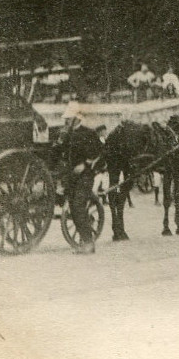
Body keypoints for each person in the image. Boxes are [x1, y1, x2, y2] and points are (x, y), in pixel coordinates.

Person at [55, 102, 103, 254]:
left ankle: (89, 243)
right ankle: (84, 241)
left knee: (78, 206)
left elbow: (99, 154)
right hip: (72, 177)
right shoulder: (68, 135)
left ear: (76, 119)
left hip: (85, 177)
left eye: (69, 119)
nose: (66, 122)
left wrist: (85, 165)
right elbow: (61, 154)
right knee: (73, 210)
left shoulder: (89, 134)